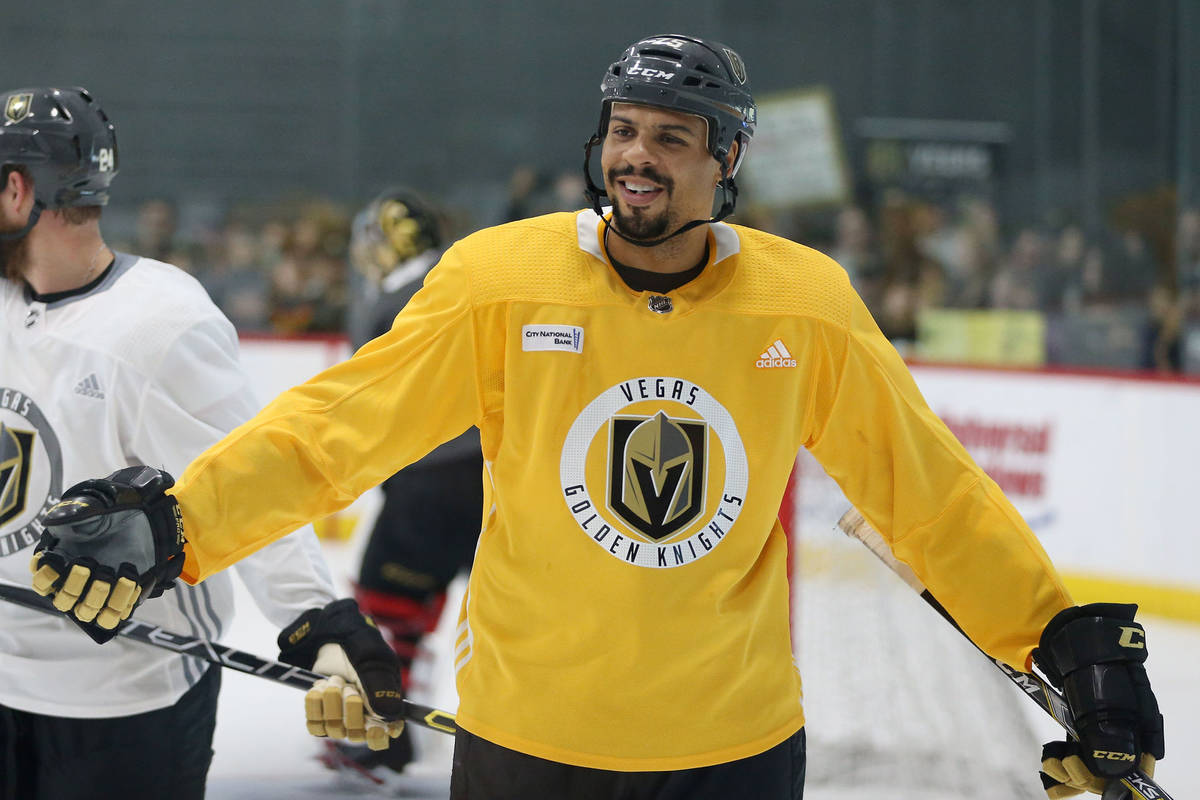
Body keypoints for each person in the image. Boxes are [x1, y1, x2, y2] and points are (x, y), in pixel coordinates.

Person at [27, 36, 1164, 800]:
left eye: (672, 136)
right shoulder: (499, 279)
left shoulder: (803, 301)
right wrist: (178, 526)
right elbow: (335, 427)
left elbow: (926, 489)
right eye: (625, 129)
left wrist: (1055, 636)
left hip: (738, 752)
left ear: (728, 158)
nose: (636, 156)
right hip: (530, 747)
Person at [0, 86, 400, 800]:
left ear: (16, 189)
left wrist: (317, 622)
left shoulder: (160, 324)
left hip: (125, 700)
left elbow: (250, 478)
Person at [325, 187, 484, 783]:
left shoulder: (394, 297)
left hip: (427, 480)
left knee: (384, 605)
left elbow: (374, 397)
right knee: (463, 608)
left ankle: (380, 735)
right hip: (486, 475)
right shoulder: (461, 278)